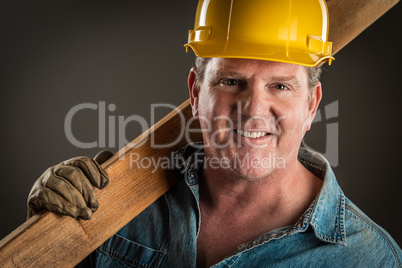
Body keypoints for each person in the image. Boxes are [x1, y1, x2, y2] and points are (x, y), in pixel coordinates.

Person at [27, 0, 402, 267]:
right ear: (195, 92)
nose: (254, 110)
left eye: (281, 86)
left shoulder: (368, 257)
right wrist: (46, 236)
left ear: (311, 104)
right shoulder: (115, 202)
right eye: (231, 81)